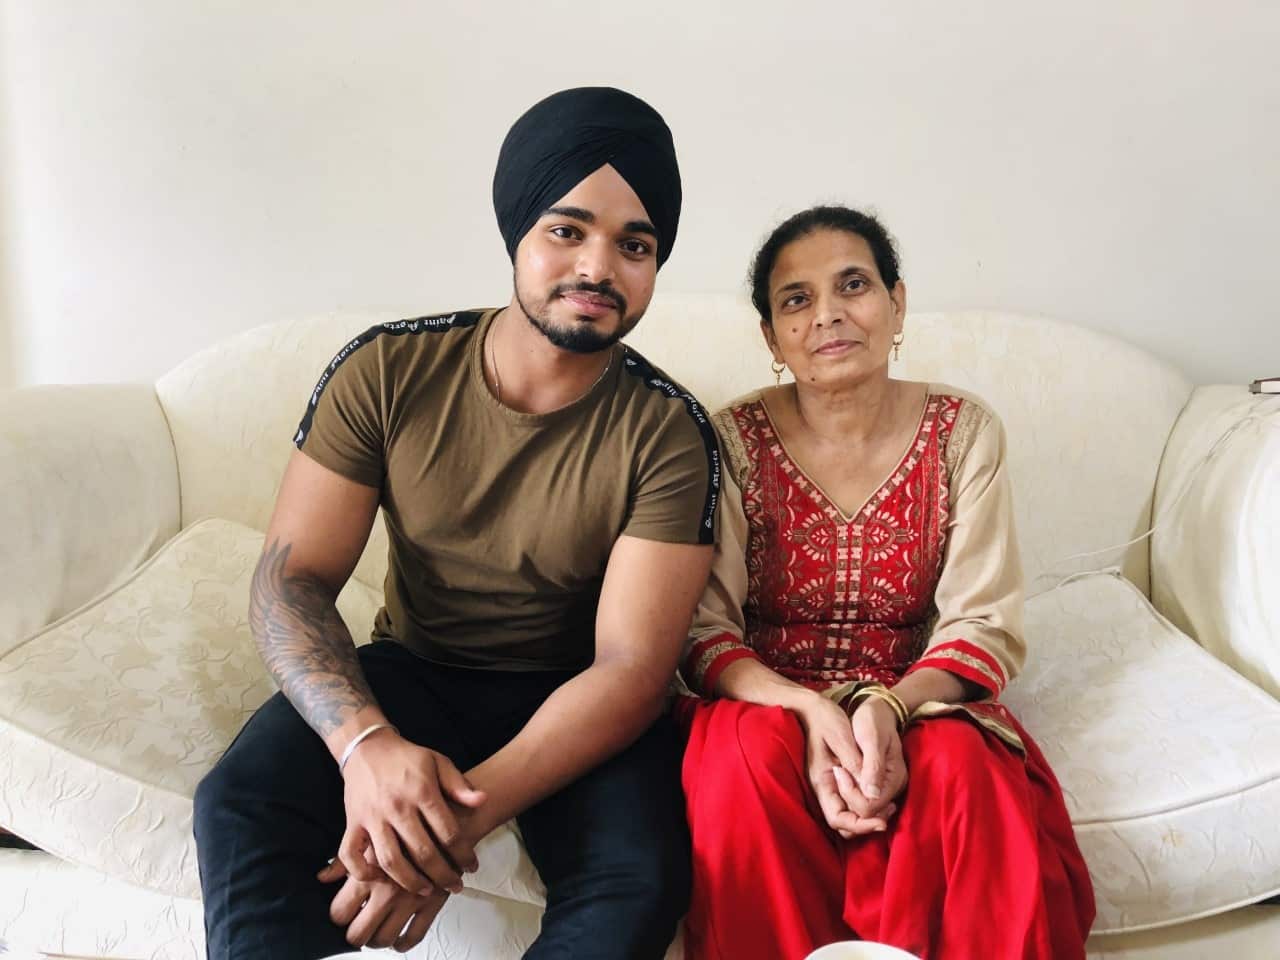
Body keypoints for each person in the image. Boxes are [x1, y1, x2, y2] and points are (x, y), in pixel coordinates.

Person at [193, 86, 720, 959]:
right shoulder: (387, 369)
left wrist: (436, 828)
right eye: (567, 229)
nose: (598, 266)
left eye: (635, 245)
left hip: (574, 695)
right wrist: (365, 748)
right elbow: (291, 579)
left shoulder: (669, 432)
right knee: (240, 803)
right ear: (517, 229)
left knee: (640, 878)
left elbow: (630, 671)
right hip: (416, 671)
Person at [676, 205, 1095, 960]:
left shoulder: (964, 432)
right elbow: (707, 629)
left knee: (968, 774)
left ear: (897, 303)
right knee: (739, 767)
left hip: (918, 694)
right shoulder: (730, 439)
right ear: (771, 337)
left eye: (853, 285)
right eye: (796, 300)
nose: (829, 314)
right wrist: (807, 711)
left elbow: (982, 621)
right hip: (769, 700)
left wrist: (891, 711)